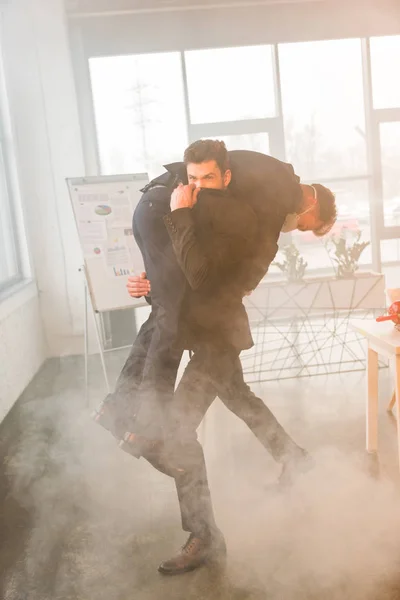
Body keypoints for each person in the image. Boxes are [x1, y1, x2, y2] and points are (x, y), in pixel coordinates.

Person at [93, 141, 337, 574]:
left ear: (227, 179)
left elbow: (204, 276)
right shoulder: (225, 216)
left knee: (177, 429)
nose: (199, 189)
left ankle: (204, 535)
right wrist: (153, 283)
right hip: (197, 325)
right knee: (238, 396)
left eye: (209, 179)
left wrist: (168, 267)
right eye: (193, 180)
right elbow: (189, 265)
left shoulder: (256, 240)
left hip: (217, 337)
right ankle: (295, 458)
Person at [94, 143, 336, 447]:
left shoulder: (262, 186)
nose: (295, 227)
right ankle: (144, 423)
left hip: (160, 220)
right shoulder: (279, 195)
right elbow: (248, 257)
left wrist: (159, 283)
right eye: (304, 224)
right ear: (311, 204)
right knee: (169, 324)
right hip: (209, 312)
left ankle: (292, 458)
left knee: (233, 393)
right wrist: (243, 284)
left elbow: (207, 250)